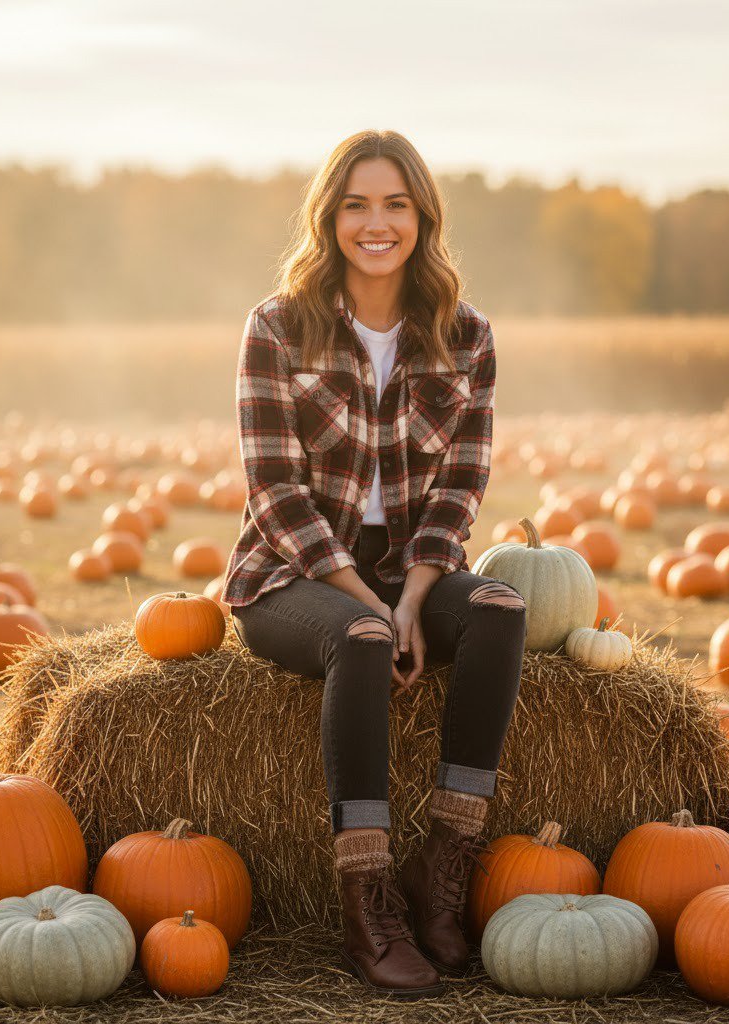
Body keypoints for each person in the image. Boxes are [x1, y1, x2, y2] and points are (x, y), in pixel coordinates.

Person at [223, 129, 527, 998]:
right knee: (359, 636)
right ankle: (368, 901)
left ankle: (446, 865)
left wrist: (419, 592)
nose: (376, 222)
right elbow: (275, 489)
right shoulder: (277, 328)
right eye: (356, 204)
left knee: (502, 609)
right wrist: (373, 602)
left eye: (395, 203)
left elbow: (462, 487)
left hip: (411, 571)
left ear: (422, 217)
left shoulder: (466, 337)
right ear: (330, 217)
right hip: (292, 577)